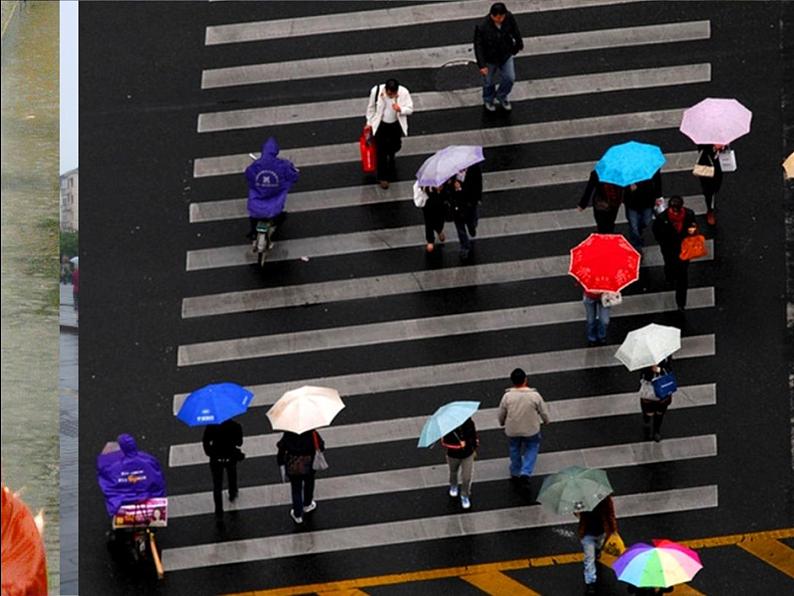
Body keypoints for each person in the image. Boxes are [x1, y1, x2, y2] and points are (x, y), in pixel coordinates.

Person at [497, 368, 550, 486]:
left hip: (513, 430)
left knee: (514, 448)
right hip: (531, 429)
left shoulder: (507, 396)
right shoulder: (534, 395)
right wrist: (546, 421)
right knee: (532, 447)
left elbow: (501, 412)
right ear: (525, 380)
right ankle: (526, 471)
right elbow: (543, 411)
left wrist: (501, 422)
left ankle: (515, 471)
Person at [245, 136, 299, 244]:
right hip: (275, 205)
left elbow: (248, 175)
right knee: (280, 216)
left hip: (256, 204)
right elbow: (293, 176)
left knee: (253, 219)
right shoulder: (282, 165)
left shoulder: (256, 165)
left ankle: (252, 232)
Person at [474, 2, 524, 112]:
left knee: (510, 78)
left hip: (505, 55)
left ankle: (502, 96)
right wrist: (482, 65)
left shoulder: (509, 17)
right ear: (492, 15)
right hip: (490, 59)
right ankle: (488, 99)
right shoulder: (482, 26)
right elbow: (478, 46)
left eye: (502, 16)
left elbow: (515, 31)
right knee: (488, 81)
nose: (501, 19)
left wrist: (518, 45)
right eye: (498, 17)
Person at [365, 78, 414, 189]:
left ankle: (391, 154)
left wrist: (400, 109)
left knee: (395, 145)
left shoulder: (404, 92)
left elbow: (410, 109)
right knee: (380, 152)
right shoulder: (376, 91)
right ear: (386, 90)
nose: (391, 96)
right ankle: (383, 177)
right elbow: (371, 108)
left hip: (395, 125)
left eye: (394, 94)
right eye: (389, 94)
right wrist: (369, 122)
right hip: (381, 126)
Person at [652, 195, 697, 311]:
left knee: (683, 276)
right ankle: (669, 275)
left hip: (684, 250)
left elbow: (693, 227)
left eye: (677, 209)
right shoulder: (662, 218)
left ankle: (681, 303)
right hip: (669, 249)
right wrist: (663, 242)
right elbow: (656, 232)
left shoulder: (689, 214)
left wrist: (691, 235)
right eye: (673, 209)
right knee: (669, 264)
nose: (675, 212)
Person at [276, 429, 325, 524]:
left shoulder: (289, 433)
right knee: (309, 483)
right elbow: (321, 446)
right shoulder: (312, 432)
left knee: (296, 489)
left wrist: (280, 462)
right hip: (309, 463)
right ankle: (307, 504)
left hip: (293, 464)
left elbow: (281, 448)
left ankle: (297, 514)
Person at [202, 418, 244, 521]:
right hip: (230, 456)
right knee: (232, 474)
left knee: (217, 485)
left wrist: (210, 452)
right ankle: (232, 493)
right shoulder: (235, 425)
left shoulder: (211, 426)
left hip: (216, 458)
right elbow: (239, 443)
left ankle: (219, 511)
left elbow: (205, 441)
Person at [575, 495, 618, 594]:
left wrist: (613, 529)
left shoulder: (605, 499)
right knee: (589, 559)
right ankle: (590, 582)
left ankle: (597, 550)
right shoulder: (582, 499)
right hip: (587, 534)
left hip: (601, 531)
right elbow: (577, 512)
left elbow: (611, 513)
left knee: (598, 547)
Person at [440, 416, 479, 510]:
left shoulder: (469, 423)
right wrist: (458, 444)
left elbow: (474, 437)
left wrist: (470, 445)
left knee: (467, 477)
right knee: (453, 471)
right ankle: (453, 485)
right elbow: (445, 442)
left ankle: (465, 495)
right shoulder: (447, 427)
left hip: (467, 454)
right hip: (453, 455)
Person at [447, 164, 483, 261]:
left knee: (471, 220)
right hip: (456, 202)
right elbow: (448, 184)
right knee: (459, 226)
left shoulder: (474, 168)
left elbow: (478, 183)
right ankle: (465, 246)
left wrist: (478, 197)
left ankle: (472, 227)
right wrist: (453, 184)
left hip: (469, 201)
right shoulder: (451, 169)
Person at [624, 170, 662, 252]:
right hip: (632, 202)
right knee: (634, 227)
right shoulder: (627, 169)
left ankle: (638, 232)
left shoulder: (651, 168)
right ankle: (637, 246)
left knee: (646, 221)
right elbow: (621, 183)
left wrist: (658, 196)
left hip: (647, 201)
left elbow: (658, 182)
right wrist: (628, 187)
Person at [640, 356, 675, 442]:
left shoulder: (666, 355)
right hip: (650, 387)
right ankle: (647, 418)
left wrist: (659, 370)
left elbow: (669, 369)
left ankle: (656, 431)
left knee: (660, 412)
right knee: (649, 412)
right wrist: (650, 369)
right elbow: (642, 374)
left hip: (662, 387)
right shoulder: (644, 357)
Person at [695, 144, 724, 226]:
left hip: (718, 166)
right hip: (706, 165)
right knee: (708, 191)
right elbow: (702, 149)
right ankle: (710, 210)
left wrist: (723, 147)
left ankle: (712, 202)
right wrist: (714, 148)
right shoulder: (703, 137)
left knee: (717, 186)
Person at [421, 183, 448, 253]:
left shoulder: (444, 178)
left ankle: (439, 230)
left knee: (440, 220)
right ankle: (430, 240)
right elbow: (421, 187)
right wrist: (424, 189)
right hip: (428, 204)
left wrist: (440, 191)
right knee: (428, 222)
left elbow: (447, 192)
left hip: (440, 204)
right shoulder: (426, 179)